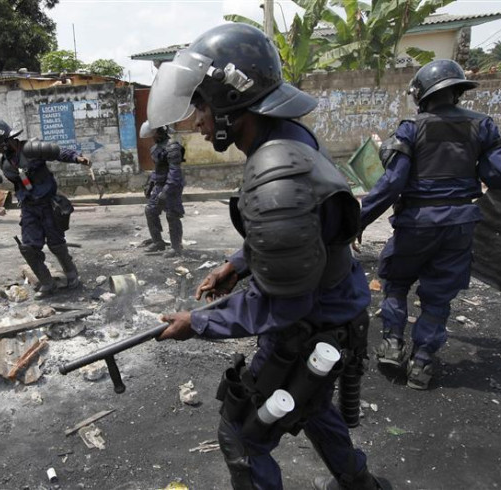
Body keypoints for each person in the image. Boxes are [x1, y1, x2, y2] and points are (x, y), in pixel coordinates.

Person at [149, 24, 386, 490]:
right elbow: (295, 232)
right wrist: (236, 266)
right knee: (314, 406)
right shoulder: (288, 136)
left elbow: (284, 303)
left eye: (200, 105)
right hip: (335, 314)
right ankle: (360, 484)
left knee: (242, 436)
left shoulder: (275, 172)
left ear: (232, 102)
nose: (196, 121)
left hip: (310, 325)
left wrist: (197, 323)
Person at [359, 59, 501, 390]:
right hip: (461, 225)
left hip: (416, 223)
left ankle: (392, 343)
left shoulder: (411, 128)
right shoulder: (483, 126)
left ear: (421, 95)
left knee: (396, 281)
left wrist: (356, 221)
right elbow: (500, 176)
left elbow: (392, 183)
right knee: (437, 297)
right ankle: (422, 364)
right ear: (457, 92)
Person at [0, 120, 90, 298]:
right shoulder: (4, 163)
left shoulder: (31, 148)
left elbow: (57, 152)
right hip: (29, 207)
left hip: (48, 204)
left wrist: (76, 157)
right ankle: (47, 283)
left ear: (5, 140)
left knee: (57, 244)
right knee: (28, 248)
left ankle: (72, 275)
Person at [140, 121, 186, 257]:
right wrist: (150, 185)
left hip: (172, 185)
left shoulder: (172, 147)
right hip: (160, 184)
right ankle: (158, 242)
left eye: (154, 134)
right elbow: (157, 170)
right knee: (150, 210)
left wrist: (166, 191)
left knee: (172, 215)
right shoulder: (156, 148)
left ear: (160, 132)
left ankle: (176, 247)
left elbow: (175, 173)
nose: (153, 137)